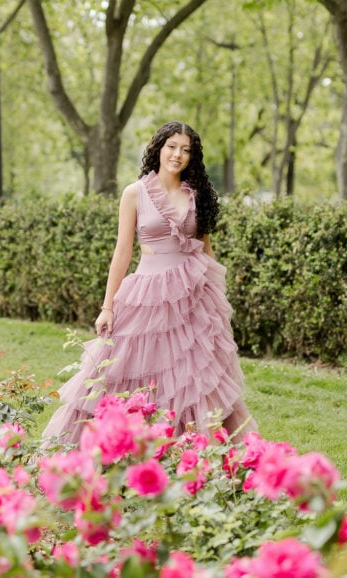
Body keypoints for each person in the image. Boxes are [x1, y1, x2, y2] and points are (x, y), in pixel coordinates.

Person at [43, 121, 256, 444]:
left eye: (186, 150)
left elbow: (206, 249)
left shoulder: (196, 195)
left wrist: (217, 301)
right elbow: (122, 252)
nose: (177, 155)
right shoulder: (135, 193)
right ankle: (117, 448)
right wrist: (107, 307)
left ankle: (194, 452)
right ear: (158, 148)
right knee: (125, 370)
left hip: (192, 297)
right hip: (148, 294)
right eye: (172, 146)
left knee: (193, 376)